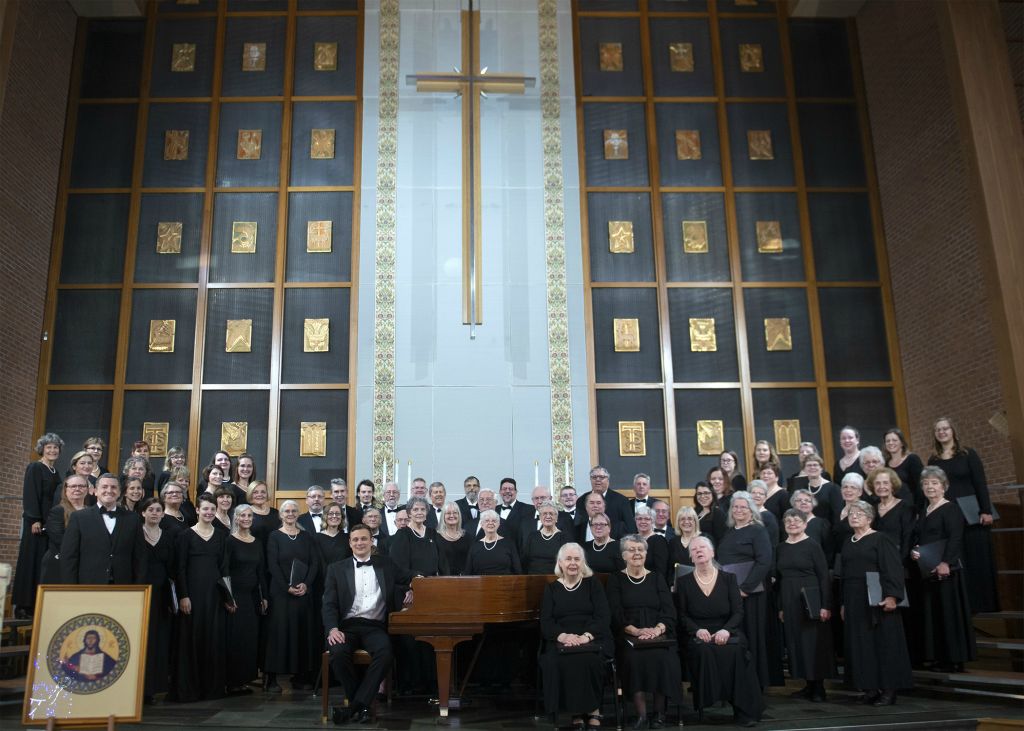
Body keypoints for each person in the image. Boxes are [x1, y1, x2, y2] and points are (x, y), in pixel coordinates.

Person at [324, 524, 415, 725]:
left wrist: (414, 588)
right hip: (347, 626)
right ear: (350, 543)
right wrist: (332, 628)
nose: (360, 543)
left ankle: (354, 706)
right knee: (337, 654)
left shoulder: (387, 565)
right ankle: (363, 705)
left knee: (385, 653)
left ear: (371, 541)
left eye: (364, 539)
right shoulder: (336, 569)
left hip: (375, 626)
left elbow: (410, 577)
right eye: (355, 539)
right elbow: (328, 603)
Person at [675, 536, 762, 727]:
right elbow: (681, 615)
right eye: (694, 549)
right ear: (690, 556)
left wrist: (726, 630)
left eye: (703, 547)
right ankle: (707, 701)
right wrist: (696, 631)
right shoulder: (683, 582)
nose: (699, 551)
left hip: (727, 630)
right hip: (698, 633)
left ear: (712, 552)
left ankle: (742, 710)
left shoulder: (729, 578)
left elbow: (738, 612)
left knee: (736, 652)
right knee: (704, 650)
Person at [839, 500, 912, 705]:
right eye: (851, 513)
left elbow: (893, 568)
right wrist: (844, 603)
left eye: (859, 513)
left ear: (869, 518)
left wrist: (892, 596)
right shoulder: (848, 541)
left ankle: (889, 690)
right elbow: (844, 575)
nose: (854, 516)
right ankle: (870, 688)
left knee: (883, 643)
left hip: (878, 597)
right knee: (862, 644)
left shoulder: (881, 539)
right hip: (854, 598)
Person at [606, 535, 681, 729]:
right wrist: (635, 631)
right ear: (623, 555)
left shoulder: (657, 577)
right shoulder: (616, 579)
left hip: (658, 633)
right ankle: (641, 715)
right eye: (632, 550)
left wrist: (657, 630)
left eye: (640, 549)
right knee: (633, 658)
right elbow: (615, 612)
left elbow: (669, 611)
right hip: (629, 634)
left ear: (646, 553)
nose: (637, 553)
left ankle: (659, 714)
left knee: (664, 657)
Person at [927, 416, 999, 613]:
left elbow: (980, 483)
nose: (942, 432)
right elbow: (931, 487)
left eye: (945, 429)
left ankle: (984, 605)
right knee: (956, 556)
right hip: (947, 514)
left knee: (976, 556)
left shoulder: (968, 454)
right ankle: (963, 605)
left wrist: (985, 510)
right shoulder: (933, 459)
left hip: (971, 513)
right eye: (938, 430)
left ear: (953, 431)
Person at [539, 542, 612, 729]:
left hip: (592, 637)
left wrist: (586, 636)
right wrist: (563, 636)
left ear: (583, 563)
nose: (573, 563)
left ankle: (594, 710)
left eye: (577, 559)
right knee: (560, 661)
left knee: (590, 660)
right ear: (560, 563)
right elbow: (546, 622)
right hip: (561, 640)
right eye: (568, 559)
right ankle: (576, 713)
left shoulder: (592, 584)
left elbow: (603, 616)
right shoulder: (551, 588)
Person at [911, 466, 976, 671]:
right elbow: (921, 538)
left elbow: (956, 538)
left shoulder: (951, 508)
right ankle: (940, 657)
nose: (930, 487)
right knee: (936, 615)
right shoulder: (924, 510)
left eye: (935, 483)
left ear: (944, 486)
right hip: (928, 571)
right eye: (926, 483)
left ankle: (954, 659)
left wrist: (945, 563)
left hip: (947, 571)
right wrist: (915, 551)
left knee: (949, 615)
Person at [714, 491, 775, 689]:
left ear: (752, 510)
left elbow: (764, 561)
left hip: (751, 594)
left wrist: (746, 589)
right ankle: (738, 679)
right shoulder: (729, 531)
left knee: (753, 636)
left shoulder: (758, 530)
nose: (739, 510)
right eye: (736, 507)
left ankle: (755, 682)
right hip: (731, 593)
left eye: (743, 507)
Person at [171, 494, 228, 702]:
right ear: (197, 510)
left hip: (214, 596)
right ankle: (190, 690)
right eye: (205, 509)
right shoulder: (185, 535)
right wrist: (184, 595)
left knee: (212, 639)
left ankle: (211, 689)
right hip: (192, 595)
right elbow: (180, 568)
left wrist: (227, 597)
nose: (209, 512)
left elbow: (224, 569)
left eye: (212, 509)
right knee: (191, 640)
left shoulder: (221, 536)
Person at [776, 509, 834, 702]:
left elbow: (824, 576)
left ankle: (819, 687)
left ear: (805, 523)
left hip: (810, 598)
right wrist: (781, 607)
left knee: (812, 643)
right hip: (788, 598)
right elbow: (780, 577)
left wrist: (825, 605)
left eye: (796, 520)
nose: (792, 523)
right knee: (797, 643)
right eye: (788, 520)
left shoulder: (812, 545)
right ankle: (807, 685)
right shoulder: (781, 547)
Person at [264, 499, 320, 692]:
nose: (290, 514)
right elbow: (272, 565)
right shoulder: (274, 536)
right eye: (286, 511)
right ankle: (271, 678)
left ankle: (300, 676)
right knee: (279, 633)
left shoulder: (306, 537)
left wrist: (306, 584)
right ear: (281, 515)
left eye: (293, 511)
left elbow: (314, 563)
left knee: (301, 633)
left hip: (303, 593)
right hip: (281, 593)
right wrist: (286, 586)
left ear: (298, 513)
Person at [61, 473, 148, 584]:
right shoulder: (79, 518)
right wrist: (70, 588)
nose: (109, 490)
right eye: (104, 487)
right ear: (95, 491)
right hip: (88, 586)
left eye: (113, 487)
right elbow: (69, 557)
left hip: (123, 586)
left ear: (119, 492)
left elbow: (140, 557)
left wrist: (138, 588)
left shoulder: (133, 519)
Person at [13, 432, 64, 617]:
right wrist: (34, 518)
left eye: (55, 447)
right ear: (42, 449)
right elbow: (30, 494)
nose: (52, 450)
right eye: (49, 447)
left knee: (43, 562)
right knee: (30, 560)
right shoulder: (35, 467)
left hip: (49, 522)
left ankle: (37, 602)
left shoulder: (55, 472)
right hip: (35, 522)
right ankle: (23, 605)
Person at [224, 504, 268, 694]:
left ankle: (244, 679)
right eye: (242, 515)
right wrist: (228, 597)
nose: (246, 518)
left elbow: (261, 572)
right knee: (236, 639)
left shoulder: (257, 542)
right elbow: (224, 569)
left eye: (249, 515)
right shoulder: (230, 541)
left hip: (252, 597)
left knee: (250, 639)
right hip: (236, 596)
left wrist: (264, 596)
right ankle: (232, 681)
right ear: (236, 518)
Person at [139, 496, 175, 701]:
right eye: (150, 510)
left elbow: (172, 567)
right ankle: (139, 687)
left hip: (162, 594)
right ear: (143, 513)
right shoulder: (136, 533)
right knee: (142, 639)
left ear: (163, 514)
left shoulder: (168, 536)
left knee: (158, 641)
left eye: (158, 510)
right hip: (142, 592)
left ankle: (152, 688)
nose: (154, 513)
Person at [40, 475, 89, 583]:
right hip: (59, 564)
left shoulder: (91, 512)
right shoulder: (58, 511)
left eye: (81, 486)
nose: (77, 489)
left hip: (83, 564)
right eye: (73, 486)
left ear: (87, 489)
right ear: (65, 489)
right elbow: (59, 539)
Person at [389, 496, 450, 576]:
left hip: (434, 583)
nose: (419, 512)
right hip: (413, 584)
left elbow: (443, 563)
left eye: (423, 509)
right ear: (409, 514)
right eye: (415, 509)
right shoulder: (402, 534)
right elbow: (398, 566)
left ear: (427, 513)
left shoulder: (433, 533)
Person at [870, 468, 915, 562]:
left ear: (893, 485)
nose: (881, 486)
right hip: (876, 558)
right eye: (877, 483)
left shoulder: (905, 507)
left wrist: (901, 561)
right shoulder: (872, 508)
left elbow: (908, 537)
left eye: (886, 483)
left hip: (898, 559)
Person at [465, 509, 522, 575]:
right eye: (487, 521)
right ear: (482, 524)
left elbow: (518, 571)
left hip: (504, 584)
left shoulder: (509, 544)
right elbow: (468, 572)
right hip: (480, 584)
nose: (490, 523)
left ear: (499, 524)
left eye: (494, 521)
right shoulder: (474, 547)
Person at [520, 501, 568, 574]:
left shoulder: (564, 537)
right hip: (533, 579)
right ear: (540, 517)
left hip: (555, 579)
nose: (548, 516)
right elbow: (525, 561)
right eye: (544, 513)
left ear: (556, 517)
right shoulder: (532, 536)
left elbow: (566, 563)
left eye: (551, 514)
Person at [790, 489, 833, 566]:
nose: (803, 502)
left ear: (813, 504)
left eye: (807, 500)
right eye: (799, 500)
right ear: (794, 504)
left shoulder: (822, 524)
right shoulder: (788, 524)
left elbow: (828, 551)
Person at [884, 427, 924, 510]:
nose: (891, 443)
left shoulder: (912, 459)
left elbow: (920, 486)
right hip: (893, 508)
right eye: (888, 441)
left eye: (894, 440)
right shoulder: (885, 464)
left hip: (912, 506)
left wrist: (918, 509)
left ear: (902, 443)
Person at [632, 505, 669, 583]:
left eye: (647, 519)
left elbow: (661, 571)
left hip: (651, 584)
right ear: (635, 520)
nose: (643, 521)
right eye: (639, 518)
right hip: (631, 581)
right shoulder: (631, 540)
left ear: (652, 521)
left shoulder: (659, 541)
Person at [834, 473, 867, 552]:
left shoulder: (864, 510)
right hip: (839, 554)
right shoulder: (837, 509)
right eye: (845, 487)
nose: (848, 490)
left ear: (860, 492)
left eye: (853, 487)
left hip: (858, 553)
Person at [436, 502, 472, 574]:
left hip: (464, 580)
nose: (452, 515)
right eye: (448, 513)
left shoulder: (467, 537)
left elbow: (470, 561)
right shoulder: (436, 537)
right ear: (443, 516)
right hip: (441, 580)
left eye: (455, 513)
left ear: (459, 515)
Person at [667, 506, 703, 573]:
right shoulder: (673, 542)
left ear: (695, 521)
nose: (686, 522)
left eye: (690, 519)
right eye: (682, 519)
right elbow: (670, 568)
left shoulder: (704, 540)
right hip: (678, 581)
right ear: (678, 522)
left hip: (700, 581)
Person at [315, 502, 351, 566]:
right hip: (323, 575)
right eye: (331, 513)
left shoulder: (347, 538)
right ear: (325, 516)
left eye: (337, 514)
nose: (334, 516)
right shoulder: (316, 538)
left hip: (343, 575)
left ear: (342, 517)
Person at [247, 481, 281, 545]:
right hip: (254, 552)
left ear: (267, 494)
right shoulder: (246, 513)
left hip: (273, 552)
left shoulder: (276, 512)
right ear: (250, 494)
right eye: (255, 492)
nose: (259, 495)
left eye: (263, 492)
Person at [747, 481, 780, 545]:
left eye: (761, 494)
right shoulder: (743, 514)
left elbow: (771, 543)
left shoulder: (768, 517)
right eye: (753, 493)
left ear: (765, 498)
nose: (757, 495)